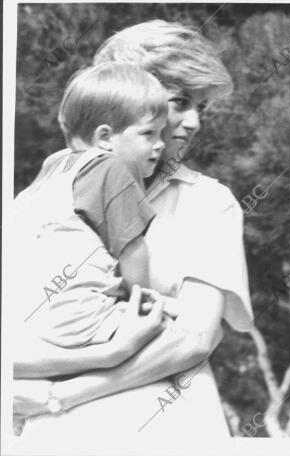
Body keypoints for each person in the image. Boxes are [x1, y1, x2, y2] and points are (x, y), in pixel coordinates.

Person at [10, 20, 253, 453]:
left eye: (203, 107)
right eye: (179, 102)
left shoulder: (207, 202)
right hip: (45, 430)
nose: (195, 121)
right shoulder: (49, 189)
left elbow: (193, 340)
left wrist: (58, 396)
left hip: (163, 421)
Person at [12, 62, 171, 351]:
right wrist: (142, 296)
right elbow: (133, 249)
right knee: (183, 331)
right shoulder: (113, 168)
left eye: (162, 133)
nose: (160, 145)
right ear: (105, 138)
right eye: (149, 133)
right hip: (78, 321)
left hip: (22, 319)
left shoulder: (55, 165)